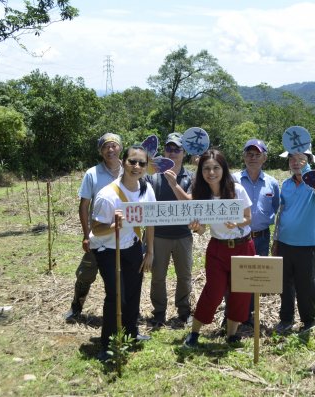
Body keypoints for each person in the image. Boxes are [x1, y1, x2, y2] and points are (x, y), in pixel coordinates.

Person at [89, 144, 156, 360]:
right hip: (108, 249)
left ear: (146, 167)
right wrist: (113, 226)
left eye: (141, 163)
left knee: (134, 292)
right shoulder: (107, 195)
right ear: (123, 162)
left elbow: (151, 222)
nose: (136, 166)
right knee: (117, 295)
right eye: (132, 161)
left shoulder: (147, 190)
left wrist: (150, 252)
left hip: (133, 246)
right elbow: (96, 229)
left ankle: (131, 333)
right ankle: (107, 344)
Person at [183, 149, 255, 347]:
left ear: (223, 169)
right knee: (213, 291)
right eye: (206, 168)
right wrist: (196, 228)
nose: (211, 172)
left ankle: (231, 334)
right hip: (217, 248)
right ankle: (195, 333)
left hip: (243, 246)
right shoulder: (200, 195)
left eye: (216, 168)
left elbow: (249, 218)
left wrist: (238, 222)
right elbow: (202, 229)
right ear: (201, 171)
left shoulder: (237, 190)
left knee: (240, 292)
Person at [65, 133, 123, 323]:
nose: (110, 150)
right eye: (106, 146)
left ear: (120, 148)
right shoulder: (92, 173)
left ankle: (123, 313)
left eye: (113, 145)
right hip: (98, 234)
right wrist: (86, 235)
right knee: (85, 274)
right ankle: (76, 308)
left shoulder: (130, 170)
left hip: (123, 236)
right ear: (100, 151)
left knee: (121, 277)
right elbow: (84, 206)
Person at [273, 145, 315, 335]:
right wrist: (276, 239)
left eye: (300, 158)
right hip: (285, 242)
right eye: (292, 159)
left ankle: (309, 320)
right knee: (285, 283)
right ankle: (286, 319)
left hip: (306, 244)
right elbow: (281, 213)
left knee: (306, 284)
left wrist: (309, 177)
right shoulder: (286, 185)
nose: (296, 162)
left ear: (309, 160)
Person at [146, 133, 194, 327]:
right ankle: (159, 312)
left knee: (184, 276)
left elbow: (191, 203)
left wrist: (174, 184)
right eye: (169, 149)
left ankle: (184, 311)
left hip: (183, 235)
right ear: (164, 151)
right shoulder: (152, 175)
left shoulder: (190, 176)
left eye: (177, 149)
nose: (172, 153)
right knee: (158, 277)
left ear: (183, 153)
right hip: (158, 235)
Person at [230, 138, 280, 326]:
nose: (253, 158)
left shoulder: (272, 183)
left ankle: (248, 315)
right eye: (249, 154)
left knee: (254, 278)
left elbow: (277, 207)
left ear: (264, 158)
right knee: (234, 275)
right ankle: (232, 314)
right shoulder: (233, 179)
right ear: (243, 156)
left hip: (261, 237)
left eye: (257, 155)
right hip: (237, 236)